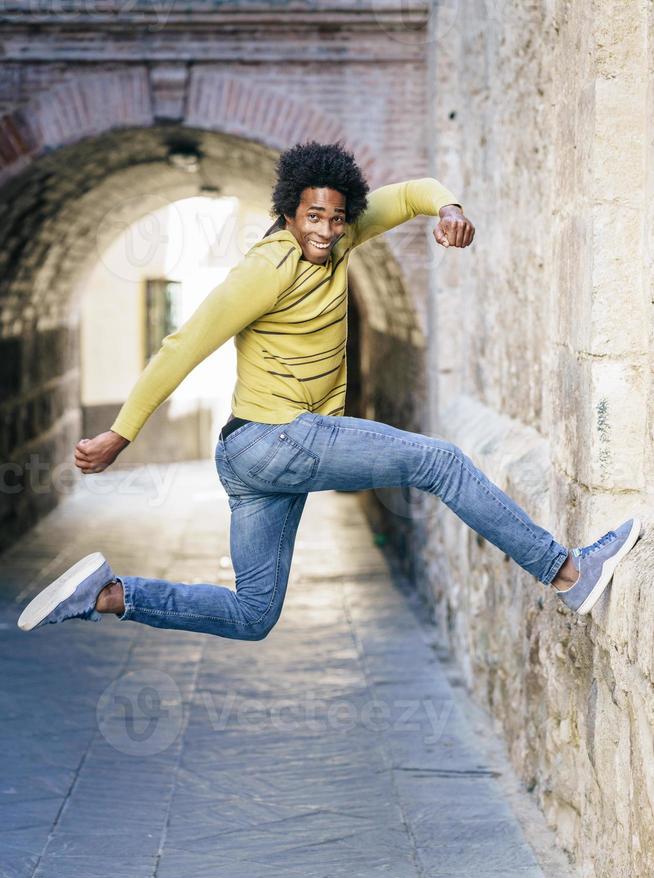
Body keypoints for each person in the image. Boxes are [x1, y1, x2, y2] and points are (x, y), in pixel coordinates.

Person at [17, 141, 641, 634]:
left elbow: (413, 192)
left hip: (249, 458)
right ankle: (567, 571)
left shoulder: (342, 239)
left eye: (337, 218)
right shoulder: (265, 269)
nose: (326, 229)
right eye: (313, 216)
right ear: (288, 212)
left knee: (253, 615)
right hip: (277, 439)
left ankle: (106, 595)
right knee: (440, 461)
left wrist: (448, 206)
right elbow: (184, 346)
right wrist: (121, 435)